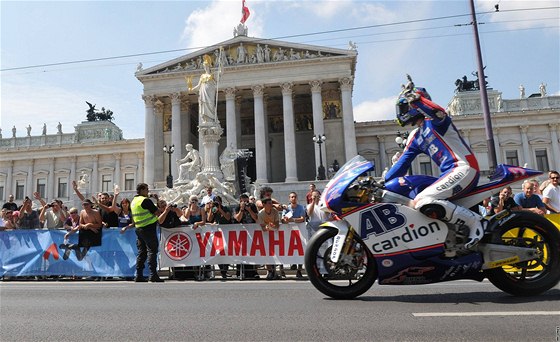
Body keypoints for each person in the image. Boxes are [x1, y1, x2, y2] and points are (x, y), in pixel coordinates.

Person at [384, 76, 485, 249]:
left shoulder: (438, 123)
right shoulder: (415, 137)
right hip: (449, 175)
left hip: (464, 168)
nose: (401, 110)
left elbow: (438, 112)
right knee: (417, 194)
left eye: (404, 105)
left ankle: (475, 222)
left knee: (424, 199)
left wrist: (418, 101)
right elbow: (402, 164)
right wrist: (383, 182)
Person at [129, 183, 164, 283]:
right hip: (148, 228)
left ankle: (139, 275)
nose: (148, 191)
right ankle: (153, 275)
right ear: (142, 190)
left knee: (142, 252)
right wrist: (157, 201)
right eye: (147, 189)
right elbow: (157, 212)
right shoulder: (145, 200)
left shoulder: (134, 201)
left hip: (139, 229)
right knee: (152, 251)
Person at [281, 192, 306, 278]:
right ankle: (282, 271)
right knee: (284, 250)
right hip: (288, 232)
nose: (293, 198)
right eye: (292, 197)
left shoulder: (301, 208)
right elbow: (283, 220)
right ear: (289, 199)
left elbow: (303, 219)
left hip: (299, 233)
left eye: (295, 197)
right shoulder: (286, 208)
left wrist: (292, 220)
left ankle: (299, 270)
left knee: (300, 250)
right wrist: (289, 220)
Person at [208, 196, 233, 279]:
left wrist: (220, 209)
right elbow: (209, 219)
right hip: (218, 233)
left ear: (221, 202)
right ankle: (222, 271)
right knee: (219, 251)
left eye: (218, 201)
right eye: (215, 201)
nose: (216, 202)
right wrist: (211, 210)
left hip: (227, 232)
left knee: (226, 251)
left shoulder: (225, 208)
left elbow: (228, 217)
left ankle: (225, 270)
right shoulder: (214, 209)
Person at [188, 54, 217, 124]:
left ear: (209, 66)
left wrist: (221, 64)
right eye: (204, 66)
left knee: (211, 105)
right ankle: (206, 121)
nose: (205, 67)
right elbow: (198, 86)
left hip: (210, 92)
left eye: (206, 66)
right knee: (204, 107)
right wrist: (191, 88)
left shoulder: (213, 75)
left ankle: (212, 120)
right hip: (203, 93)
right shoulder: (202, 76)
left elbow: (221, 73)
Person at [258, 198, 280, 279]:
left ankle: (275, 271)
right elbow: (263, 227)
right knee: (266, 253)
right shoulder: (260, 214)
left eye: (271, 203)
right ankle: (270, 271)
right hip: (265, 235)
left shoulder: (275, 211)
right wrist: (267, 227)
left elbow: (277, 224)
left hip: (275, 235)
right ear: (264, 205)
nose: (271, 205)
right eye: (269, 203)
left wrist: (273, 226)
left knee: (277, 253)